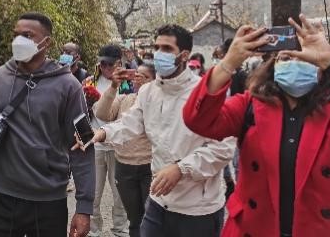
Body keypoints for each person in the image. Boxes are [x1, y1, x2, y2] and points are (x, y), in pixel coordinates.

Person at [183, 14, 330, 237]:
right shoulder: (249, 105)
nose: (295, 63)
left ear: (321, 68)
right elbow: (197, 119)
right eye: (286, 57)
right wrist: (228, 63)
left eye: (305, 59)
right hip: (254, 228)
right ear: (273, 66)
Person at [78, 24, 236, 237]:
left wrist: (181, 169)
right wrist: (102, 133)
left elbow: (223, 149)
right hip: (159, 202)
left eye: (167, 49)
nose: (160, 54)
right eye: (157, 47)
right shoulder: (149, 92)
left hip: (197, 208)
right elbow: (130, 123)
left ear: (184, 55)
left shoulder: (206, 93)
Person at [0, 12, 95, 237]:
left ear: (46, 42)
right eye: (16, 35)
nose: (18, 41)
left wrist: (84, 207)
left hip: (48, 201)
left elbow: (83, 147)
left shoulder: (68, 87)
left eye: (27, 35)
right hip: (1, 197)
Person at [94, 63, 155, 237]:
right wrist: (114, 86)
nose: (138, 79)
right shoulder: (124, 99)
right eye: (136, 75)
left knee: (150, 218)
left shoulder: (159, 102)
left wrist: (148, 91)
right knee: (134, 219)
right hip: (124, 167)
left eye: (145, 77)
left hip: (149, 167)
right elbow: (102, 113)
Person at [84, 44, 129, 237]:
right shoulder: (90, 82)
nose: (105, 68)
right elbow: (82, 112)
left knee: (119, 193)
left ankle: (120, 229)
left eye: (110, 64)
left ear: (119, 63)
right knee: (93, 192)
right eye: (102, 64)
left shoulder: (128, 84)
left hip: (119, 146)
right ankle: (93, 229)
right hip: (96, 146)